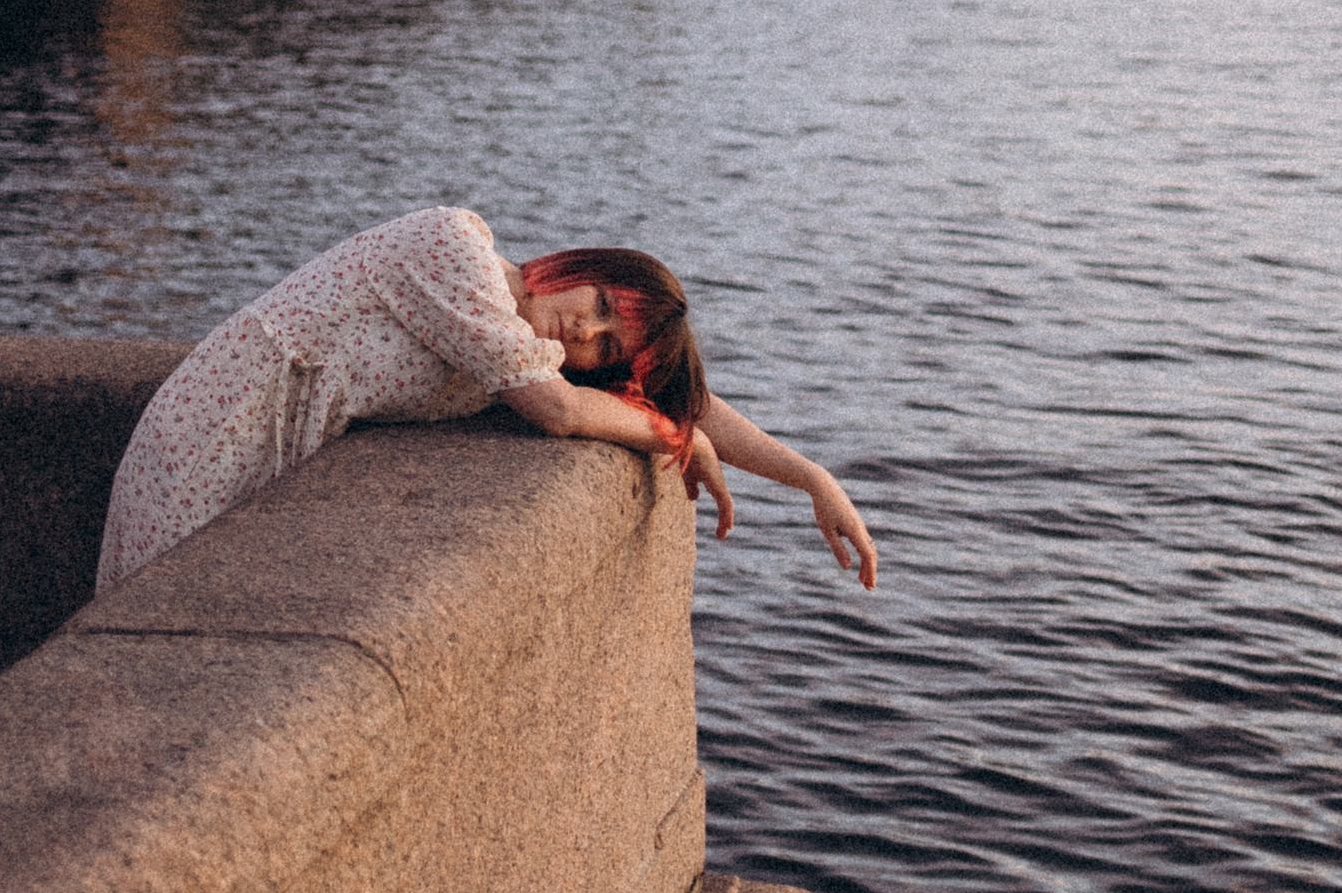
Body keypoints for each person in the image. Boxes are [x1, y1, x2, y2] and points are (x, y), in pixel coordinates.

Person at [96, 200, 878, 596]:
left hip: (266, 467)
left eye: (607, 346)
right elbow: (567, 414)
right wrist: (678, 441)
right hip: (205, 441)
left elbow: (684, 400)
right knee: (138, 668)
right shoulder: (456, 250)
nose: (586, 332)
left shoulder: (517, 346)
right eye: (600, 301)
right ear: (578, 264)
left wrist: (811, 478)